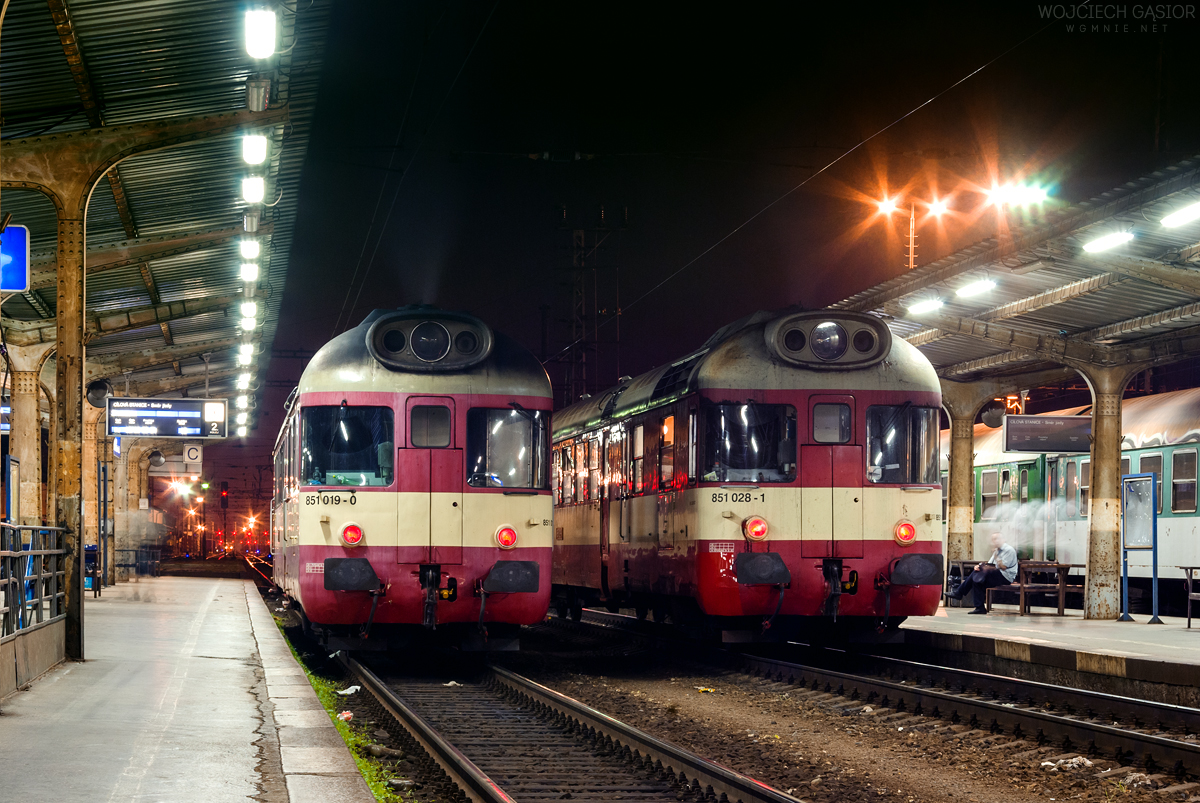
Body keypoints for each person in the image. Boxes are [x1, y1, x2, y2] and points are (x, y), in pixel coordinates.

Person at [948, 532, 1018, 614]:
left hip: (1005, 577)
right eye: (993, 539)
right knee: (977, 578)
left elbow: (1003, 567)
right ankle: (979, 608)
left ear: (1003, 539)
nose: (995, 541)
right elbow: (990, 564)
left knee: (977, 575)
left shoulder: (1009, 550)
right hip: (997, 575)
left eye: (997, 539)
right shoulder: (997, 550)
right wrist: (979, 566)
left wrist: (995, 557)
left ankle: (959, 593)